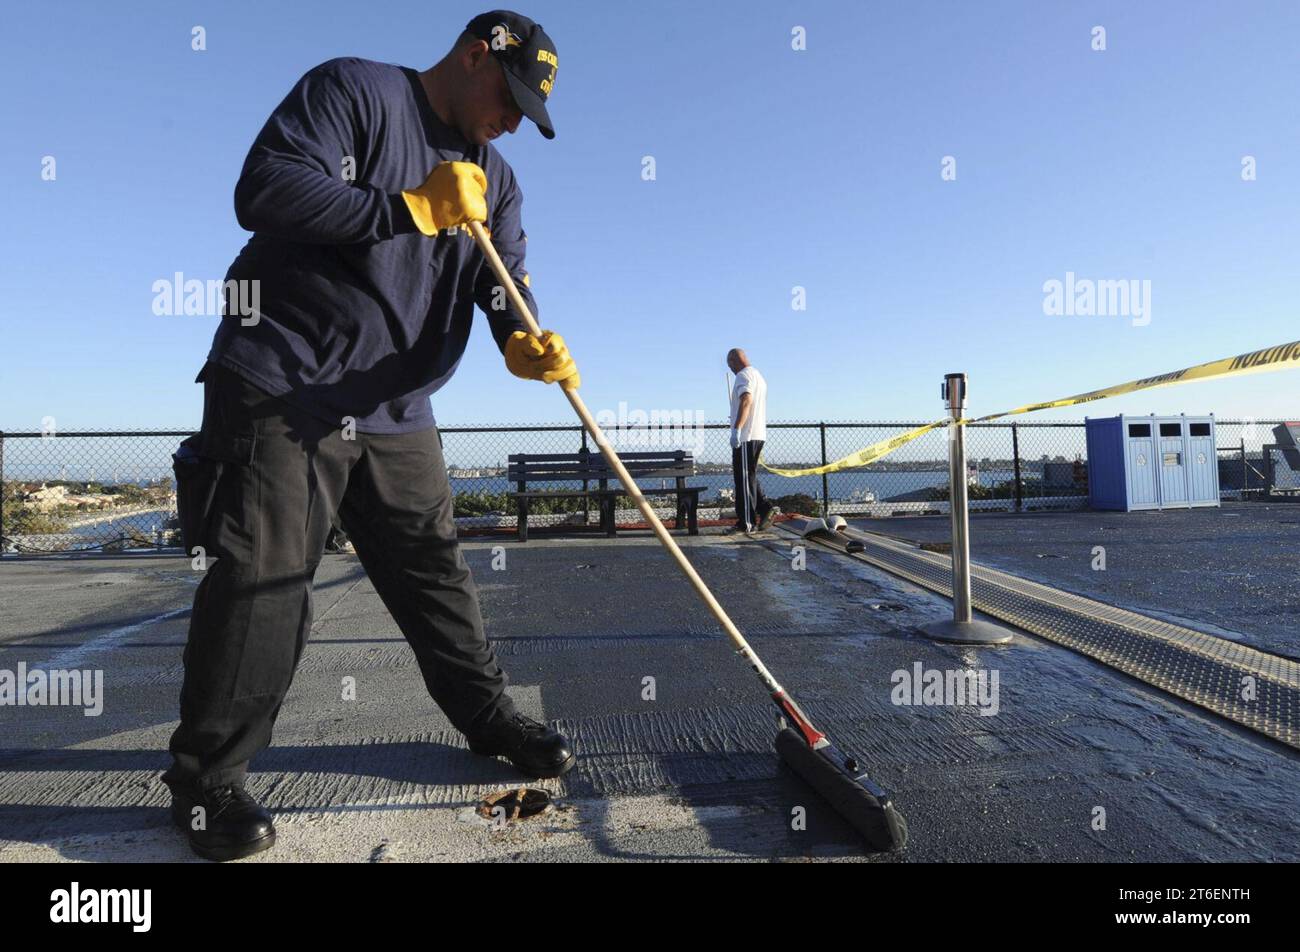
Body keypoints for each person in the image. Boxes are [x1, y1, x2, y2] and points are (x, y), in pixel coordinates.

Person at [165, 10, 577, 862]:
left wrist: (524, 339)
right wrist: (409, 207)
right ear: (473, 59)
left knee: (434, 567)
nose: (513, 124)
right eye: (510, 101)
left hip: (396, 405)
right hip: (284, 382)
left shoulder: (497, 182)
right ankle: (208, 780)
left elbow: (504, 284)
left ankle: (486, 715)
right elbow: (265, 187)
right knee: (265, 578)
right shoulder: (355, 90)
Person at [726, 348, 779, 533]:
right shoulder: (758, 376)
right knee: (749, 476)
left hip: (746, 436)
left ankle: (747, 522)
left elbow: (746, 400)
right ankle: (765, 508)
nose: (731, 370)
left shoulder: (742, 376)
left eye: (730, 365)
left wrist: (736, 429)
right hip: (757, 434)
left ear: (733, 362)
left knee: (742, 479)